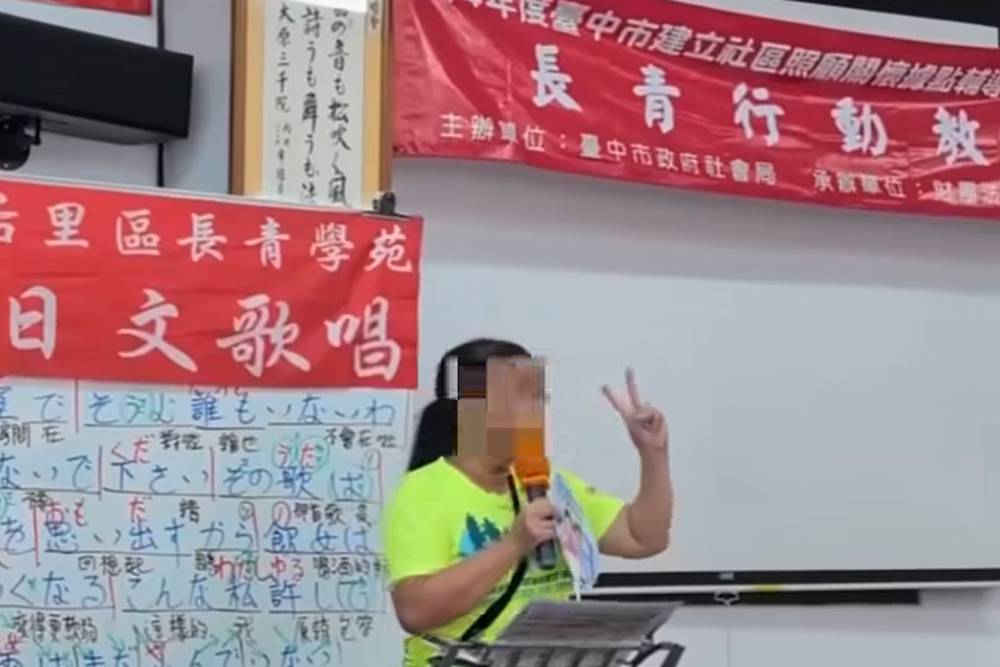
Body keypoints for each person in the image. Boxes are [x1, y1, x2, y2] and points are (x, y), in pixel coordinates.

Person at [382, 339, 674, 666]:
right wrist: (514, 544)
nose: (536, 411)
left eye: (539, 398)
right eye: (520, 397)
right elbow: (415, 612)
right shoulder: (422, 492)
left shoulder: (548, 481)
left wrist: (653, 453)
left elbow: (642, 538)